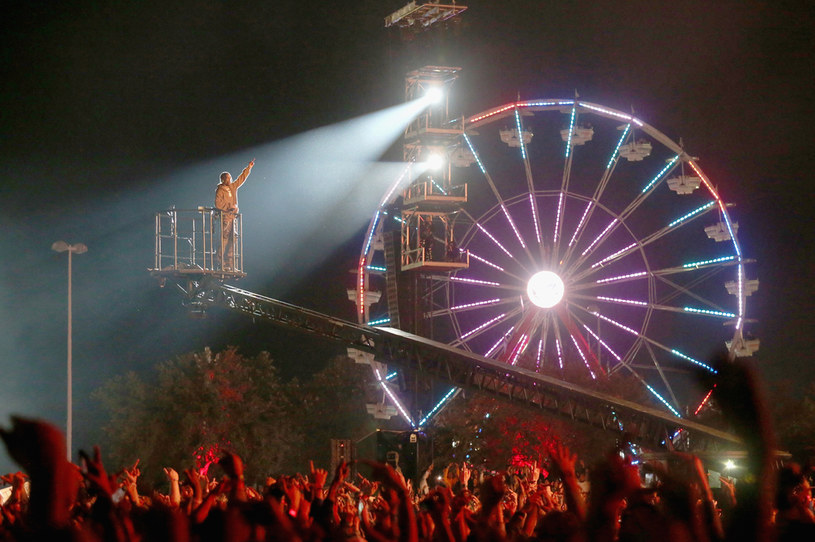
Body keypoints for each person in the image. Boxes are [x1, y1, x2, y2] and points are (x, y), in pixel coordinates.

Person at [214, 159, 254, 271]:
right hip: (226, 217)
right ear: (222, 179)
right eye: (226, 178)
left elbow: (241, 179)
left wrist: (249, 168)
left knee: (233, 238)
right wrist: (229, 208)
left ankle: (230, 264)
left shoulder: (232, 187)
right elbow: (218, 203)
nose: (229, 179)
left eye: (229, 177)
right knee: (224, 239)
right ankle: (220, 261)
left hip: (233, 217)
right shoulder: (220, 190)